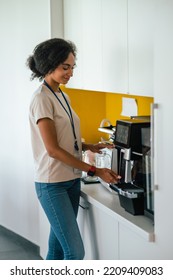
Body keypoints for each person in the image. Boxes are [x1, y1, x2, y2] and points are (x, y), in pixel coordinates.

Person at [26, 38, 121, 260]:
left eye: (72, 67)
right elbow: (53, 150)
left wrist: (90, 146)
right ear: (48, 65)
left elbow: (65, 137)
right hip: (52, 185)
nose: (70, 73)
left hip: (70, 181)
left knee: (58, 249)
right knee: (75, 252)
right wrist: (94, 170)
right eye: (65, 67)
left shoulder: (62, 95)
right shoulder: (41, 99)